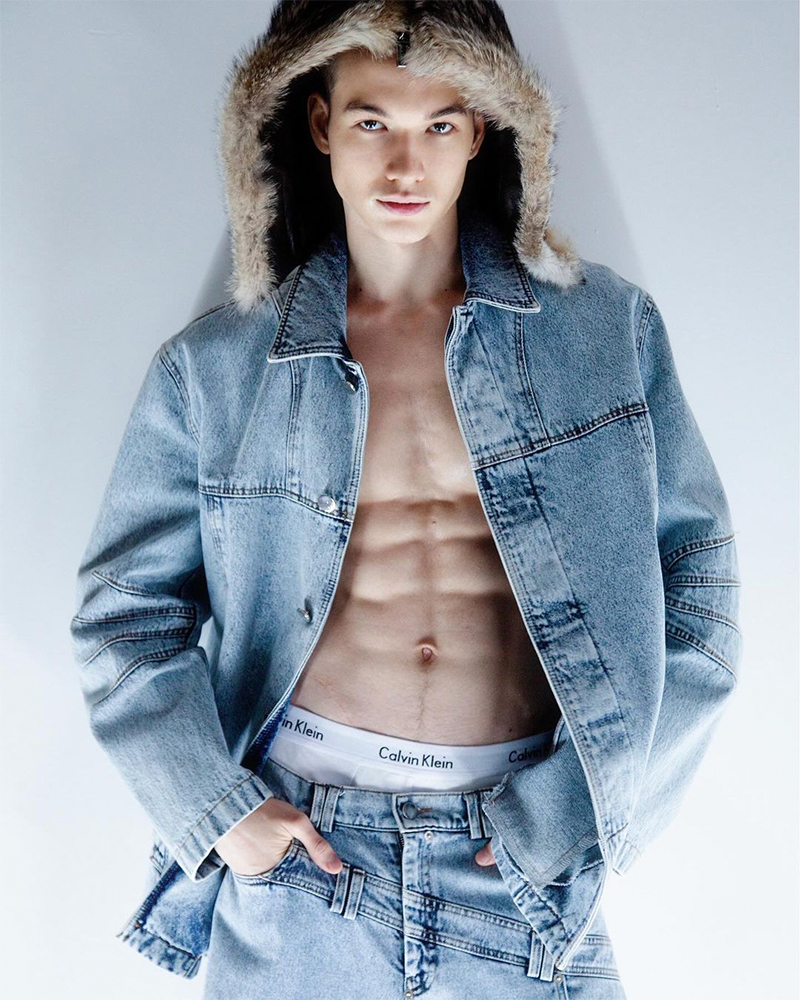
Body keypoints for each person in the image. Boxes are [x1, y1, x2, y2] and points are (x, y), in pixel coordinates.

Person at [69, 3, 742, 998]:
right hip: (305, 867)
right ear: (318, 123)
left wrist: (575, 817)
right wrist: (218, 811)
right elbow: (125, 616)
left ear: (480, 129)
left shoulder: (602, 332)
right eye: (372, 121)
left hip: (516, 874)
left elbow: (701, 594)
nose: (403, 164)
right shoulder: (215, 370)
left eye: (438, 124)